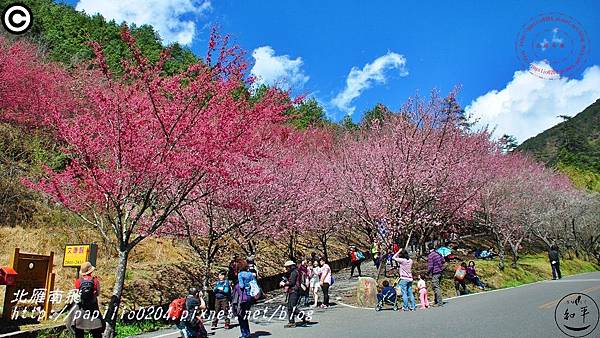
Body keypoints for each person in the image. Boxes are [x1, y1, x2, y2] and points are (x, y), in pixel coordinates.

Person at [72, 262, 104, 338]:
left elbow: (76, 294)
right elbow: (98, 293)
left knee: (79, 329)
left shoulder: (78, 281)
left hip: (81, 308)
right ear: (91, 271)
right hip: (93, 307)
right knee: (96, 329)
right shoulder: (95, 281)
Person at [233, 259, 254, 338]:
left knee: (240, 315)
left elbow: (241, 286)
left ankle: (244, 334)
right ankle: (247, 333)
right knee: (245, 315)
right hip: (249, 296)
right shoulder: (250, 274)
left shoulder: (240, 274)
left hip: (242, 297)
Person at [280, 260, 303, 328]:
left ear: (290, 267)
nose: (286, 269)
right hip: (295, 290)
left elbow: (292, 282)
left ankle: (292, 322)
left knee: (291, 307)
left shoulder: (293, 273)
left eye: (287, 267)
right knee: (291, 306)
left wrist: (284, 284)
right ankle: (303, 316)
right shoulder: (296, 271)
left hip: (294, 291)